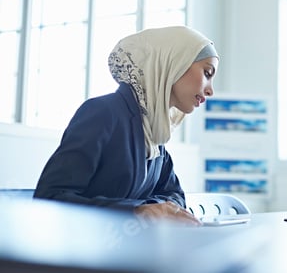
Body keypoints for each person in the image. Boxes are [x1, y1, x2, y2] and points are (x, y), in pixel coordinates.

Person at [34, 26, 219, 226]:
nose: (210, 91)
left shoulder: (154, 132)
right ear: (173, 63)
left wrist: (155, 209)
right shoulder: (103, 113)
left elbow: (174, 196)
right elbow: (49, 198)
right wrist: (137, 211)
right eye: (207, 73)